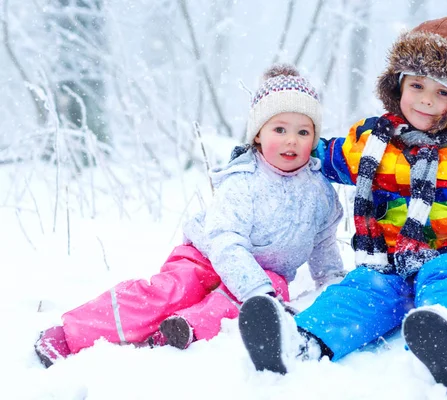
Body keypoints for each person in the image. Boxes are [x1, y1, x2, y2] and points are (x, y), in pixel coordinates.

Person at [238, 17, 447, 391]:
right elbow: (327, 156)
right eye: (417, 85)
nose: (425, 99)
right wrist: (279, 151)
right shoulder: (373, 139)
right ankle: (299, 342)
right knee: (360, 291)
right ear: (398, 83)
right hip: (387, 261)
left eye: (442, 92)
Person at [34, 64, 345, 368]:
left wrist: (331, 282)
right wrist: (254, 286)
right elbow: (225, 241)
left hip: (266, 275)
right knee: (169, 292)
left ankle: (183, 328)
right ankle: (73, 333)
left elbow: (324, 241)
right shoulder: (243, 181)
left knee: (258, 303)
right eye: (280, 129)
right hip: (205, 257)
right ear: (258, 135)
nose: (292, 140)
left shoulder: (319, 192)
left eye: (303, 132)